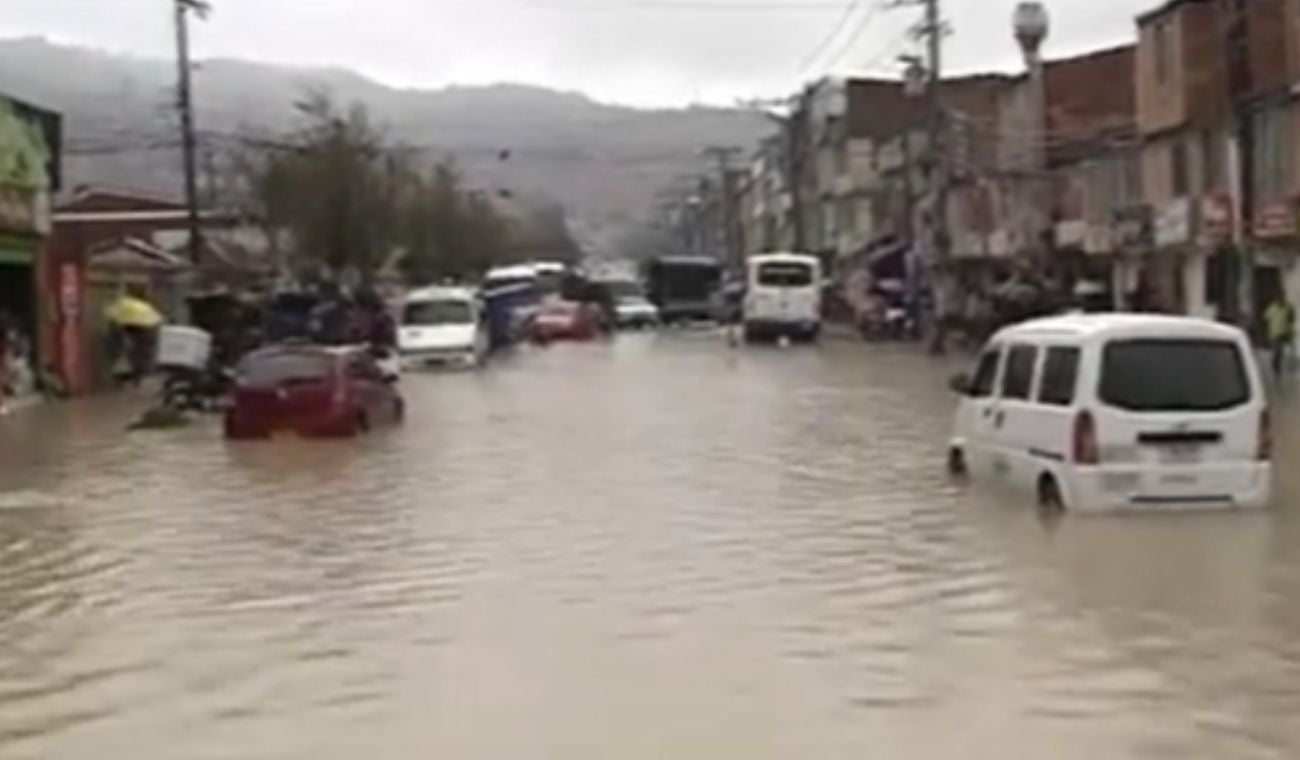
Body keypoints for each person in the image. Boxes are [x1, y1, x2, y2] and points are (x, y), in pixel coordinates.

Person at [1264, 295, 1296, 379]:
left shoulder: (1287, 308)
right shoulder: (1272, 308)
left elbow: (1292, 318)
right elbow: (1266, 319)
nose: (1281, 301)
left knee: (1290, 349)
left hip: (1285, 332)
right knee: (1277, 352)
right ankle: (1276, 369)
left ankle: (1290, 367)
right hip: (1275, 334)